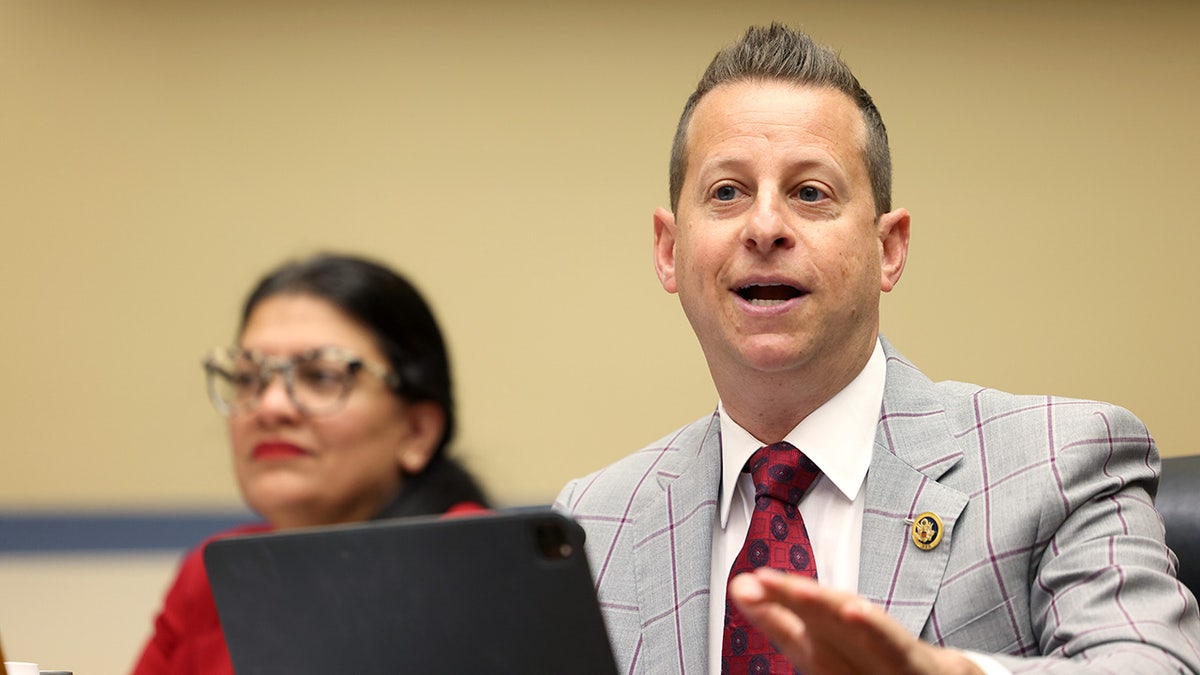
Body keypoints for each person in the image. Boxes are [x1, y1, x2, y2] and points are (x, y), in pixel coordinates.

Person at [556, 24, 1200, 675]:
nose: (765, 226)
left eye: (811, 192)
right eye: (728, 192)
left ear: (888, 249)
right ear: (669, 251)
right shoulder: (593, 524)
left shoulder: (1061, 460)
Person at [132, 253, 488, 675]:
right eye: (249, 378)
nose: (270, 406)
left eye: (321, 376)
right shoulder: (212, 577)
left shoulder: (481, 570)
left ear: (416, 433)